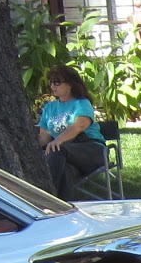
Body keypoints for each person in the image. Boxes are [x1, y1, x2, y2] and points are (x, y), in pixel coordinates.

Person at [36, 66, 105, 197]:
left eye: (57, 82)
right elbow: (44, 138)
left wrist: (58, 141)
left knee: (57, 150)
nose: (53, 86)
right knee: (65, 171)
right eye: (51, 82)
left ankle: (44, 196)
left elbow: (79, 126)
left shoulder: (81, 103)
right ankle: (60, 205)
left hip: (91, 149)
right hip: (66, 155)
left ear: (70, 84)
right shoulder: (49, 108)